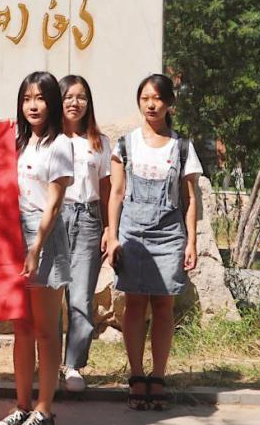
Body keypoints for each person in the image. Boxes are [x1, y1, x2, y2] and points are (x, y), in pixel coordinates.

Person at [105, 74, 201, 411]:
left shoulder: (182, 147)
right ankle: (136, 375)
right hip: (132, 235)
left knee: (163, 306)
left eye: (158, 98)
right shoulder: (124, 145)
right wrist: (112, 235)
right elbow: (116, 194)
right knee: (134, 305)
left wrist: (191, 242)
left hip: (169, 235)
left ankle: (158, 376)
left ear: (169, 103)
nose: (151, 104)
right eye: (145, 98)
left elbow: (190, 199)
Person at [0, 72, 73, 425]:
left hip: (45, 237)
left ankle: (44, 408)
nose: (33, 105)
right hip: (14, 235)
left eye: (40, 98)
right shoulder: (17, 142)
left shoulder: (60, 145)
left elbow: (54, 204)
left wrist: (36, 248)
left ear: (52, 102)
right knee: (22, 328)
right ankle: (21, 405)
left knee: (45, 329)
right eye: (27, 98)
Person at [57, 75, 111, 393]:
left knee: (80, 297)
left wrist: (109, 228)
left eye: (81, 97)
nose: (74, 103)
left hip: (88, 218)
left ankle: (73, 365)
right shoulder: (48, 139)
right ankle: (49, 361)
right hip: (53, 218)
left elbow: (107, 189)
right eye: (68, 96)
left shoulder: (99, 142)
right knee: (50, 297)